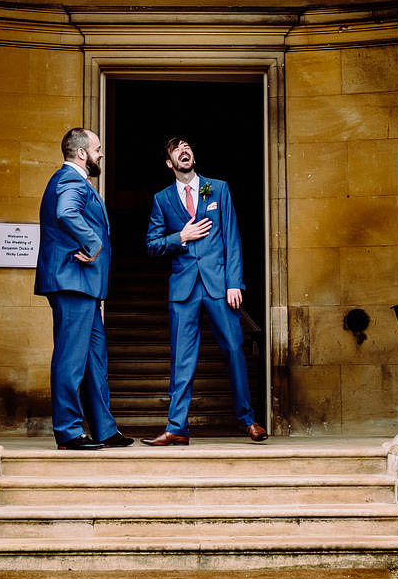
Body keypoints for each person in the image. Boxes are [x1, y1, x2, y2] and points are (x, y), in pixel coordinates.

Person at [142, 136, 267, 446]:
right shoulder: (162, 199)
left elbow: (232, 237)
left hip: (218, 286)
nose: (184, 151)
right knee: (181, 359)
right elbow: (152, 245)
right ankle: (177, 428)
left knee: (235, 350)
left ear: (193, 156)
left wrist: (234, 282)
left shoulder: (218, 188)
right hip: (183, 290)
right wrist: (179, 236)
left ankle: (248, 420)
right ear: (170, 163)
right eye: (176, 150)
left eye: (187, 147)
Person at [34, 127, 132, 451]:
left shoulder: (77, 182)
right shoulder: (69, 180)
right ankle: (68, 432)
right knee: (70, 360)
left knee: (94, 361)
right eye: (98, 148)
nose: (101, 154)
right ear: (81, 153)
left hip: (85, 286)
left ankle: (104, 429)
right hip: (71, 281)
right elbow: (66, 213)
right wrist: (93, 242)